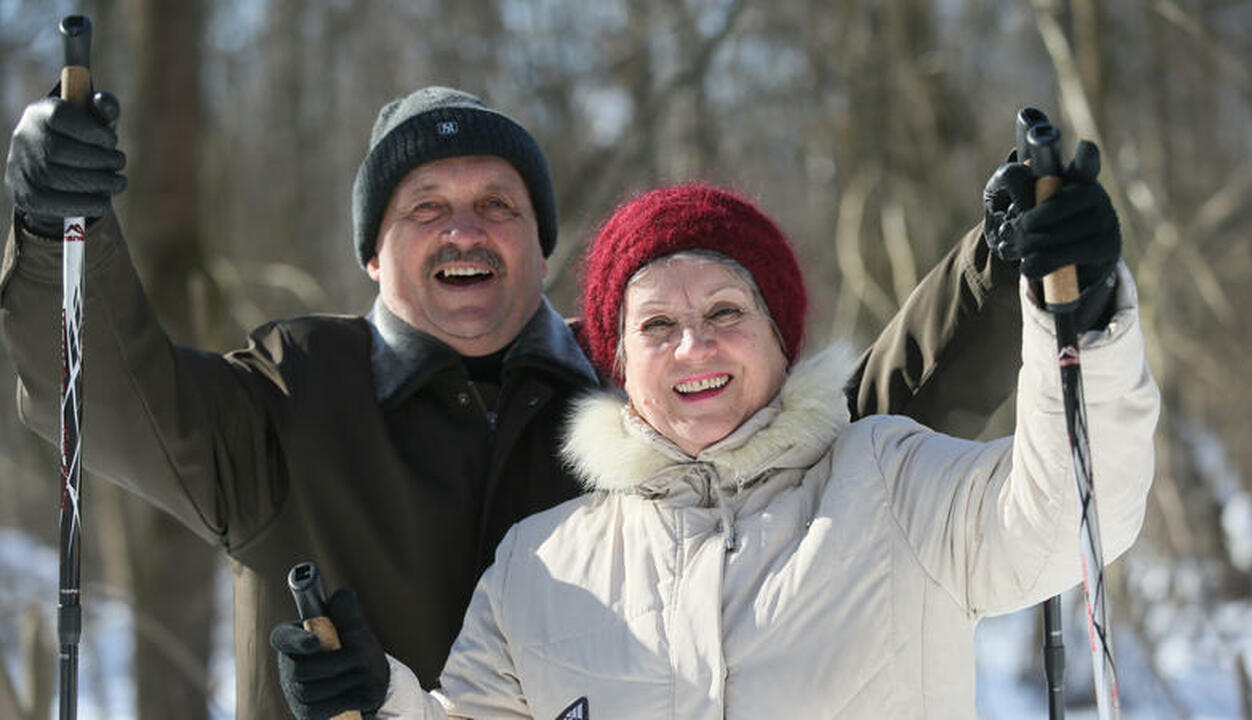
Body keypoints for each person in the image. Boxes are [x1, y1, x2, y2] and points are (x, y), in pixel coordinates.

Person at [5, 84, 1054, 717]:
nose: (464, 228)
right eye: (426, 207)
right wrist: (61, 231)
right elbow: (96, 391)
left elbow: (848, 415)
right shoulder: (287, 401)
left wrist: (1003, 267)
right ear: (372, 253)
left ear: (539, 244)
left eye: (496, 204)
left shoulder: (639, 394)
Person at [273, 176, 1157, 719]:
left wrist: (1073, 318)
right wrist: (375, 700)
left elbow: (1069, 513)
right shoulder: (540, 567)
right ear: (620, 364)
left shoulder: (890, 481)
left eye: (726, 313)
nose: (694, 348)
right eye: (657, 325)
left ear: (781, 338)